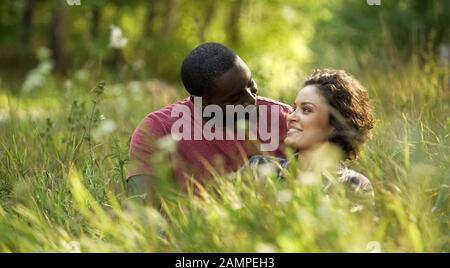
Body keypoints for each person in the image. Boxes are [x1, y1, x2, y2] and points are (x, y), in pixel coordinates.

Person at [126, 42, 292, 206]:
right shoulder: (158, 129)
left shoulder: (286, 118)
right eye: (235, 99)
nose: (251, 100)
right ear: (203, 103)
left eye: (250, 84)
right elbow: (140, 210)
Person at [242, 69, 375, 203]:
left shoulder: (354, 185)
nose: (290, 117)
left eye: (306, 110)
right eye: (294, 109)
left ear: (335, 124)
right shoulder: (259, 168)